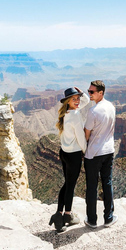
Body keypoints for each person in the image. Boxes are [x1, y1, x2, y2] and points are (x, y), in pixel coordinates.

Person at [49, 87, 90, 233]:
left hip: (64, 153)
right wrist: (86, 152)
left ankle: (62, 214)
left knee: (67, 184)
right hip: (73, 155)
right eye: (74, 99)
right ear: (68, 101)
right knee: (70, 186)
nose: (78, 101)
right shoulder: (76, 116)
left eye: (78, 98)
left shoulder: (65, 113)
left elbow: (84, 102)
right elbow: (80, 136)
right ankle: (64, 215)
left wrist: (81, 94)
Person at [83, 80, 117, 228]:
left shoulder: (93, 112)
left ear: (100, 93)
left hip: (94, 154)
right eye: (89, 91)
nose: (89, 94)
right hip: (109, 150)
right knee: (107, 183)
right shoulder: (111, 106)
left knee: (92, 186)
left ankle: (92, 220)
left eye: (92, 92)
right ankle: (109, 217)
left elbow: (86, 135)